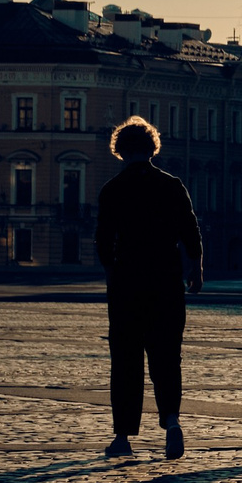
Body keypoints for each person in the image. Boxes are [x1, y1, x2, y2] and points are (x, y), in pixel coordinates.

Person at [92, 116, 201, 459]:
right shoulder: (172, 185)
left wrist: (111, 270)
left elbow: (103, 239)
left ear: (120, 150)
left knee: (126, 361)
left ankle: (123, 437)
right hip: (167, 282)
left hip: (127, 283)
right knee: (167, 357)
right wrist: (195, 268)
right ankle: (171, 423)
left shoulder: (112, 189)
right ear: (153, 148)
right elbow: (190, 230)